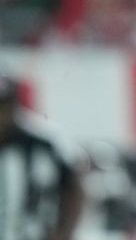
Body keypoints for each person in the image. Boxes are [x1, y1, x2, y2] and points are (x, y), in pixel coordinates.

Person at [0, 75, 83, 240]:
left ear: (15, 107)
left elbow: (74, 188)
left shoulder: (43, 141)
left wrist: (64, 231)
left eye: (3, 108)